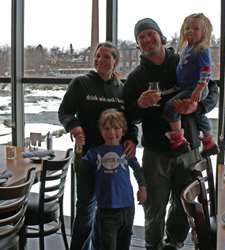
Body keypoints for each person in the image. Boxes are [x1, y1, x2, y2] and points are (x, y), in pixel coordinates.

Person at [123, 18, 219, 250]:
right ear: (138, 45)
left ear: (160, 35)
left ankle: (173, 244)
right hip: (156, 152)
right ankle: (152, 245)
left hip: (189, 148)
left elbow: (212, 89)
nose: (147, 39)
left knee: (183, 203)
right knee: (154, 206)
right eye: (141, 37)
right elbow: (128, 117)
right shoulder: (136, 77)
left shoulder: (183, 59)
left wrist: (198, 106)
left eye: (150, 33)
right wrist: (140, 104)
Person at [58, 42, 138, 250]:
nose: (101, 60)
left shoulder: (122, 89)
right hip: (86, 155)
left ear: (115, 61)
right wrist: (74, 127)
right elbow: (65, 112)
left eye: (107, 57)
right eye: (98, 56)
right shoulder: (81, 83)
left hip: (113, 159)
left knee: (107, 209)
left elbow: (130, 122)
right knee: (85, 209)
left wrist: (132, 139)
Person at [81, 108, 147, 250]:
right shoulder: (94, 153)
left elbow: (138, 170)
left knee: (124, 244)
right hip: (106, 210)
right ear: (100, 130)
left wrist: (142, 188)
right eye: (107, 128)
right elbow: (82, 167)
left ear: (123, 130)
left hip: (128, 208)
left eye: (116, 128)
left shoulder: (126, 151)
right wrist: (78, 150)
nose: (111, 132)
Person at [164, 13, 218, 156]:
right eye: (187, 28)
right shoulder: (187, 48)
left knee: (171, 106)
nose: (190, 31)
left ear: (204, 32)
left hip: (195, 88)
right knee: (198, 115)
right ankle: (208, 140)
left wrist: (199, 88)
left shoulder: (201, 49)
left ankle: (178, 138)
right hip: (188, 87)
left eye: (195, 28)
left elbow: (206, 71)